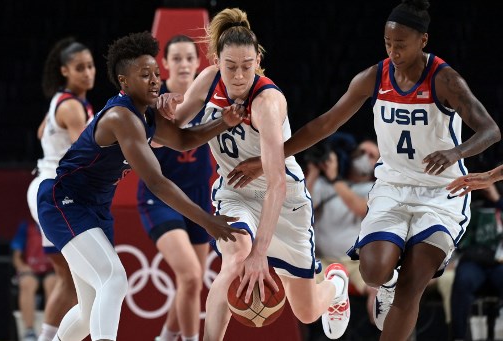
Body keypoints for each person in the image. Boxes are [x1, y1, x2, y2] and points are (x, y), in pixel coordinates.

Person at [226, 1, 501, 340]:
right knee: (372, 271)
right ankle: (385, 284)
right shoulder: (374, 77)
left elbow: (491, 130)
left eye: (401, 44)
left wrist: (455, 152)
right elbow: (325, 124)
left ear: (423, 40)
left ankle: (396, 292)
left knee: (413, 285)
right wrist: (269, 159)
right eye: (388, 43)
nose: (393, 51)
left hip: (442, 192)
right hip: (392, 188)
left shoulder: (445, 80)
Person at [36, 31, 246, 341]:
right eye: (144, 75)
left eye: (156, 74)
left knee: (87, 309)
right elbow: (158, 183)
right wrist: (209, 222)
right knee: (115, 279)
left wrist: (223, 122)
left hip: (94, 209)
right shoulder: (122, 117)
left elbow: (184, 139)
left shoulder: (147, 115)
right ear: (123, 81)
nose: (154, 81)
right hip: (64, 202)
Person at [159, 8, 351, 341]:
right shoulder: (207, 82)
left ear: (258, 59)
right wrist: (161, 110)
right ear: (217, 61)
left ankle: (336, 284)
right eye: (230, 67)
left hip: (284, 198)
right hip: (235, 192)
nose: (237, 76)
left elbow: (276, 184)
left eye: (246, 67)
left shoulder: (268, 102)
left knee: (305, 311)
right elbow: (175, 129)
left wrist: (261, 253)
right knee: (234, 258)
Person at [136, 35, 210, 341]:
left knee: (191, 282)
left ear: (197, 62)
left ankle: (165, 338)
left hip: (199, 197)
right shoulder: (153, 102)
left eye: (188, 58)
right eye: (176, 58)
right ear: (164, 64)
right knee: (191, 276)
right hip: (161, 196)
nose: (183, 64)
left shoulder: (211, 100)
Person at [25, 37, 95, 341]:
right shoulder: (72, 107)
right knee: (84, 280)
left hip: (48, 187)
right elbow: (86, 152)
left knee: (68, 279)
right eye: (80, 68)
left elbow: (42, 131)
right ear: (65, 70)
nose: (88, 73)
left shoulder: (62, 100)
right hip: (54, 193)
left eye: (91, 66)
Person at [305, 143, 378, 325]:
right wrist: (313, 172)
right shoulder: (323, 184)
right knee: (299, 288)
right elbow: (302, 210)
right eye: (361, 152)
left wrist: (335, 178)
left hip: (356, 263)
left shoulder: (376, 188)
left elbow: (361, 208)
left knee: (380, 290)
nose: (364, 157)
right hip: (323, 260)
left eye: (371, 155)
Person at [450, 183, 503, 340]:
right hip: (475, 262)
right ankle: (458, 336)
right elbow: (459, 242)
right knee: (463, 279)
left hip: (499, 263)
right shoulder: (471, 206)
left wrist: (498, 200)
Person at [11, 219, 56, 341]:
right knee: (27, 283)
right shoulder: (25, 227)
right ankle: (29, 331)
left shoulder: (54, 224)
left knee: (53, 283)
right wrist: (24, 268)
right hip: (31, 270)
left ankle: (49, 331)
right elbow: (16, 257)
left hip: (51, 270)